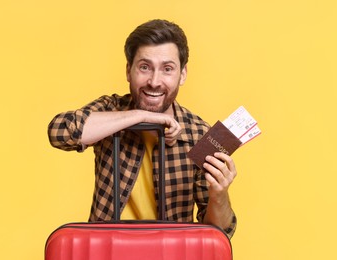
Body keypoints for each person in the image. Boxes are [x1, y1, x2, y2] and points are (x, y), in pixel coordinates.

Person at [48, 19, 237, 238]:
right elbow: (59, 132)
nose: (154, 81)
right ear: (129, 71)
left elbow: (219, 233)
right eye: (144, 67)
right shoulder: (111, 110)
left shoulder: (200, 134)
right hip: (109, 250)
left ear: (182, 74)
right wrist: (141, 115)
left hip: (169, 253)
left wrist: (219, 195)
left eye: (167, 69)